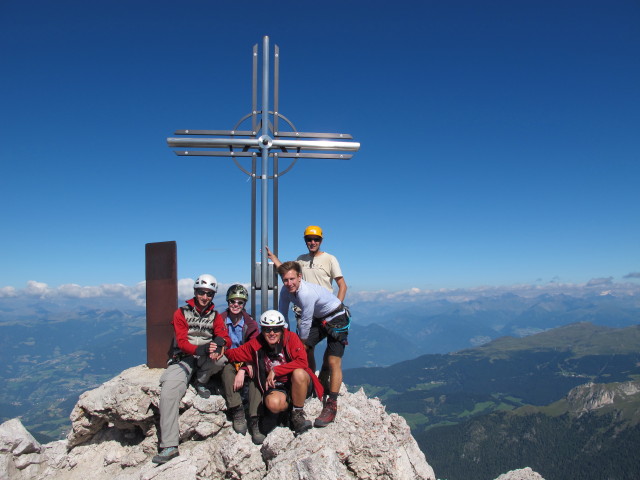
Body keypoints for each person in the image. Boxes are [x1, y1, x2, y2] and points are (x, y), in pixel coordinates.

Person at [152, 274, 231, 465]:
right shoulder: (181, 313)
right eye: (202, 292)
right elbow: (181, 341)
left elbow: (224, 337)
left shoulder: (215, 316)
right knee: (169, 391)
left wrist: (219, 343)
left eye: (209, 294)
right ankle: (169, 445)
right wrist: (200, 349)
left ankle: (200, 381)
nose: (205, 297)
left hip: (204, 357)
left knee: (222, 360)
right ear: (195, 292)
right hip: (184, 357)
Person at [224, 310, 324, 443]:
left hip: (298, 383)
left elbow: (302, 362)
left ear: (282, 329)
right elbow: (234, 354)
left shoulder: (291, 338)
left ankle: (297, 414)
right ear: (262, 330)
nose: (272, 333)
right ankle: (286, 412)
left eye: (276, 329)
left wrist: (276, 371)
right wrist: (220, 348)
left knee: (298, 373)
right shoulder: (257, 344)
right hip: (278, 387)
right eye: (267, 330)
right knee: (273, 403)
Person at [265, 225, 347, 379]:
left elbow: (342, 285)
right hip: (303, 312)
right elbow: (288, 274)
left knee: (330, 354)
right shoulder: (300, 260)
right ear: (305, 241)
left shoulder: (330, 259)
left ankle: (322, 379)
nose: (313, 242)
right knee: (306, 350)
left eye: (316, 239)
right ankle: (310, 380)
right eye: (309, 239)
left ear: (321, 241)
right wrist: (274, 259)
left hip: (326, 311)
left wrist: (337, 308)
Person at [276, 261, 350, 428]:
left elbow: (306, 321)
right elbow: (282, 314)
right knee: (305, 349)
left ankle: (331, 402)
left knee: (333, 361)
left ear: (300, 277)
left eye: (292, 279)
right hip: (320, 318)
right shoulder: (286, 291)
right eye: (285, 280)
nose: (289, 283)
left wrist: (297, 345)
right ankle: (309, 381)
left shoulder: (306, 293)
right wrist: (284, 337)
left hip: (337, 317)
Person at [218, 284, 262, 443]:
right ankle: (237, 411)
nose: (236, 305)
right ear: (228, 302)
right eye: (233, 301)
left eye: (240, 302)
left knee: (254, 375)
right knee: (227, 370)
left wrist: (243, 368)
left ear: (244, 304)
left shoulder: (250, 324)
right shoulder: (220, 321)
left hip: (246, 359)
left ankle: (255, 418)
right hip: (227, 359)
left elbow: (254, 348)